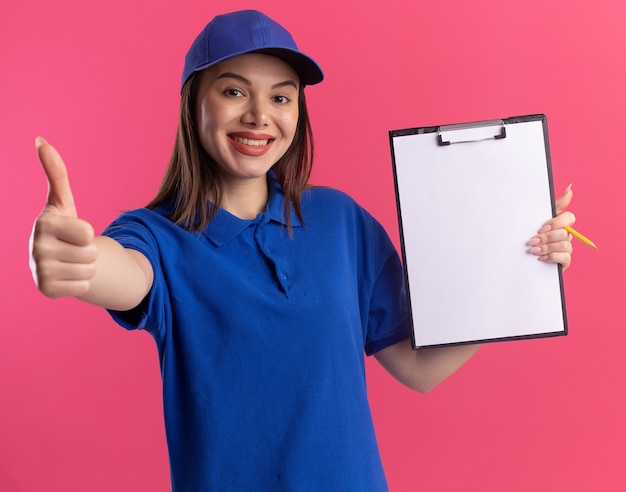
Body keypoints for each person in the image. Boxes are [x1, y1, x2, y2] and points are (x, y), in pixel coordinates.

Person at [29, 9, 575, 492]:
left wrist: (516, 262)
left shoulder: (341, 221)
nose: (260, 115)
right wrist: (77, 261)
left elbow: (418, 368)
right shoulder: (158, 237)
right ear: (194, 101)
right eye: (234, 91)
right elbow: (120, 270)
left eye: (282, 96)